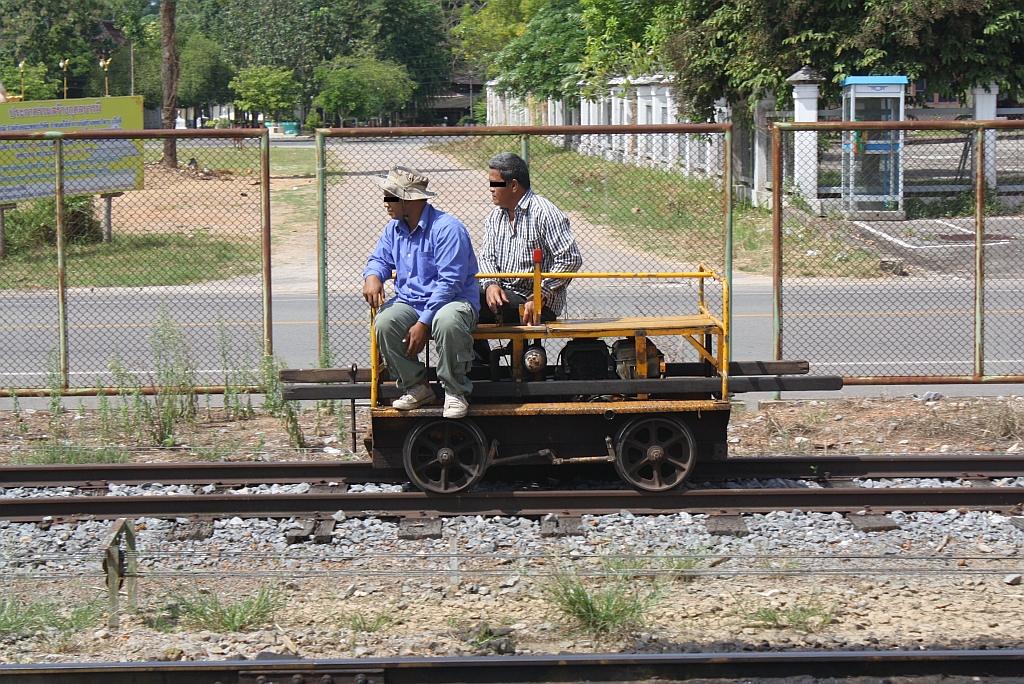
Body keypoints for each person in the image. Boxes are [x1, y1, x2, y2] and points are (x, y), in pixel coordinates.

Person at [363, 166, 480, 419]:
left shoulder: (448, 229)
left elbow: (450, 283)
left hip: (453, 301)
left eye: (391, 197)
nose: (385, 204)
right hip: (411, 301)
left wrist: (423, 322)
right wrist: (373, 276)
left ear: (409, 200)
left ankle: (455, 390)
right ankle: (416, 386)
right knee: (384, 321)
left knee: (447, 321)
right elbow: (379, 259)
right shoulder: (393, 230)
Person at [475, 152, 582, 359]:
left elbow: (570, 259)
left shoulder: (544, 212)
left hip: (537, 304)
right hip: (505, 295)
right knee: (461, 295)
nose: (491, 189)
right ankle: (481, 364)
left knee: (464, 300)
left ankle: (479, 366)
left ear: (513, 186)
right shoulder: (495, 216)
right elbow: (486, 257)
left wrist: (539, 292)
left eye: (495, 184)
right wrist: (490, 284)